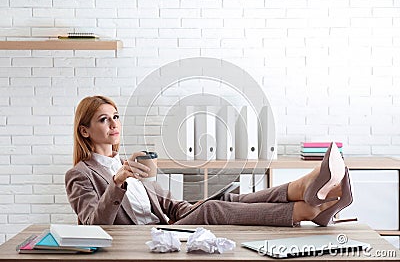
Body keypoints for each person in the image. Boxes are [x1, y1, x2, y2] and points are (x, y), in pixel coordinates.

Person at [65, 95, 353, 227]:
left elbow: (167, 205)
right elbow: (93, 224)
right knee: (214, 210)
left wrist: (188, 207)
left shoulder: (126, 162)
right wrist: (118, 182)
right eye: (104, 119)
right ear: (85, 130)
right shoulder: (81, 174)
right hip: (147, 236)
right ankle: (306, 208)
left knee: (222, 197)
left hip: (168, 222)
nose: (114, 124)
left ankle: (307, 192)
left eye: (115, 116)